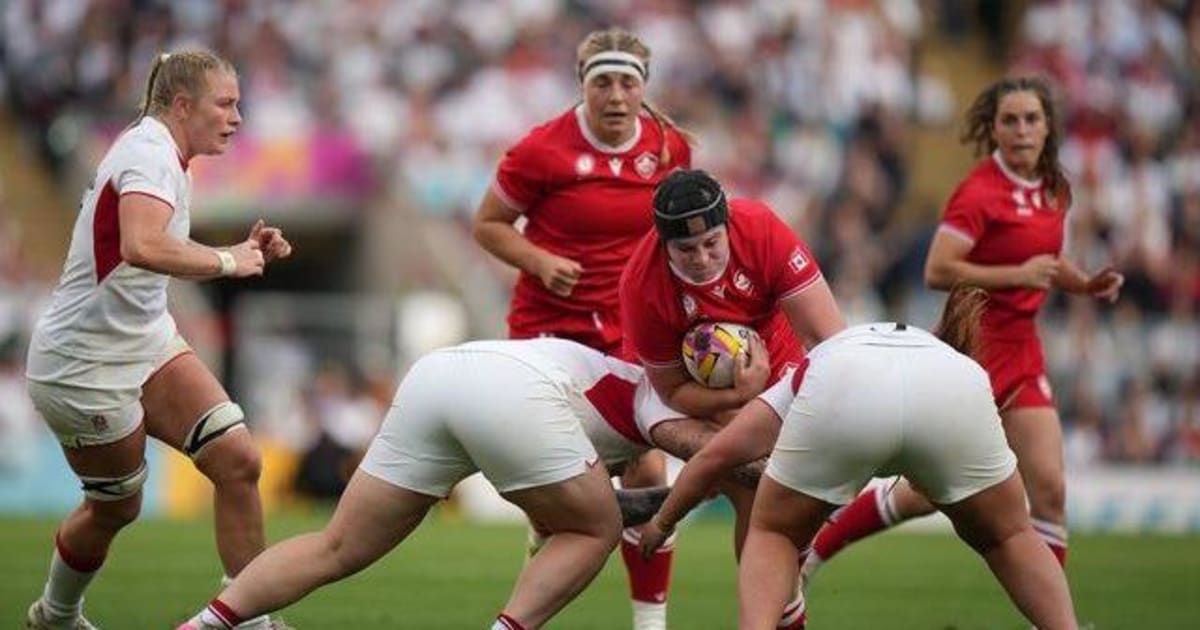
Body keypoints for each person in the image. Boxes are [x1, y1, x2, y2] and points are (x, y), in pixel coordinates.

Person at [176, 337, 764, 630]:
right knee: (597, 527)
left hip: (440, 376)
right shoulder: (658, 395)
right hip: (509, 396)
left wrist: (674, 500)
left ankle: (205, 624)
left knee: (339, 546)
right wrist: (766, 466)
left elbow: (638, 491)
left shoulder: (629, 376)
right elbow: (705, 452)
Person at [800, 76, 1124, 581]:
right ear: (992, 129)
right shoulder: (979, 193)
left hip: (1023, 350)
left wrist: (1083, 283)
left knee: (1050, 491)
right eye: (1009, 120)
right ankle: (818, 547)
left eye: (1031, 119)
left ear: (1047, 127)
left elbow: (1046, 258)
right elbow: (938, 269)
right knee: (929, 493)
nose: (1021, 130)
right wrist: (1015, 275)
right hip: (975, 348)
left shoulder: (1054, 187)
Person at [23, 50, 293, 630]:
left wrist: (241, 252)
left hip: (144, 342)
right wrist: (228, 260)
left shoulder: (163, 151)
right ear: (181, 105)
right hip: (83, 363)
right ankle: (55, 615)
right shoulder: (149, 153)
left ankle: (248, 620)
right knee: (116, 506)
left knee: (239, 460)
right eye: (226, 103)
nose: (237, 117)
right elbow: (141, 244)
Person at [639, 286, 1079, 629]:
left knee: (773, 531)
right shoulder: (955, 360)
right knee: (1011, 536)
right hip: (955, 387)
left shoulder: (811, 370)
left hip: (848, 384)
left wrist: (661, 523)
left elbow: (716, 456)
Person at [472, 27, 693, 628]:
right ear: (582, 85)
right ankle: (535, 571)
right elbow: (488, 224)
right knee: (559, 483)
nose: (616, 95)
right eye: (603, 82)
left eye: (627, 82)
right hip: (550, 328)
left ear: (644, 88)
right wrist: (539, 261)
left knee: (648, 469)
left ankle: (651, 625)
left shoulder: (672, 148)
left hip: (630, 332)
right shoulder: (540, 150)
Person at [619, 168, 847, 629]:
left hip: (777, 363)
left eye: (712, 243)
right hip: (694, 390)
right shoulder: (642, 285)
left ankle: (708, 488)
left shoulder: (761, 229)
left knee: (775, 507)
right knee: (759, 496)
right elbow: (669, 391)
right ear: (664, 245)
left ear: (728, 226)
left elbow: (831, 342)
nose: (701, 258)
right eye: (686, 250)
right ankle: (712, 487)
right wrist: (737, 396)